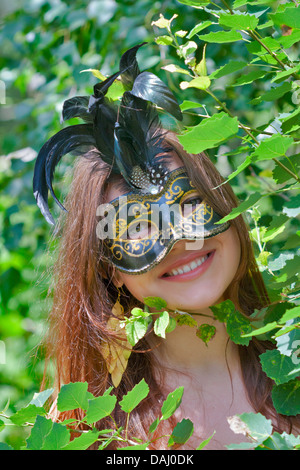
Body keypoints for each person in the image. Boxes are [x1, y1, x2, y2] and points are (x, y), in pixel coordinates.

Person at [33, 43, 299, 450]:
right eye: (137, 226)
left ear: (226, 203)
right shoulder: (92, 433)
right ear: (108, 269)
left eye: (191, 202)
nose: (180, 237)